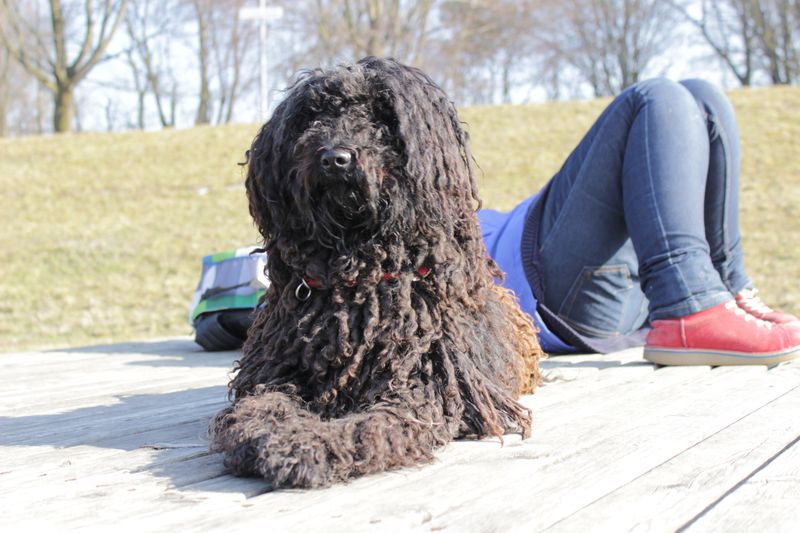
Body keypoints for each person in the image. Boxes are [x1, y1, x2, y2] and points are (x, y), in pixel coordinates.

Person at [479, 78, 800, 365]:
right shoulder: (436, 231)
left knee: (703, 97)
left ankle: (728, 289)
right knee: (655, 98)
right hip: (544, 291)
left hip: (619, 301)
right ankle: (689, 303)